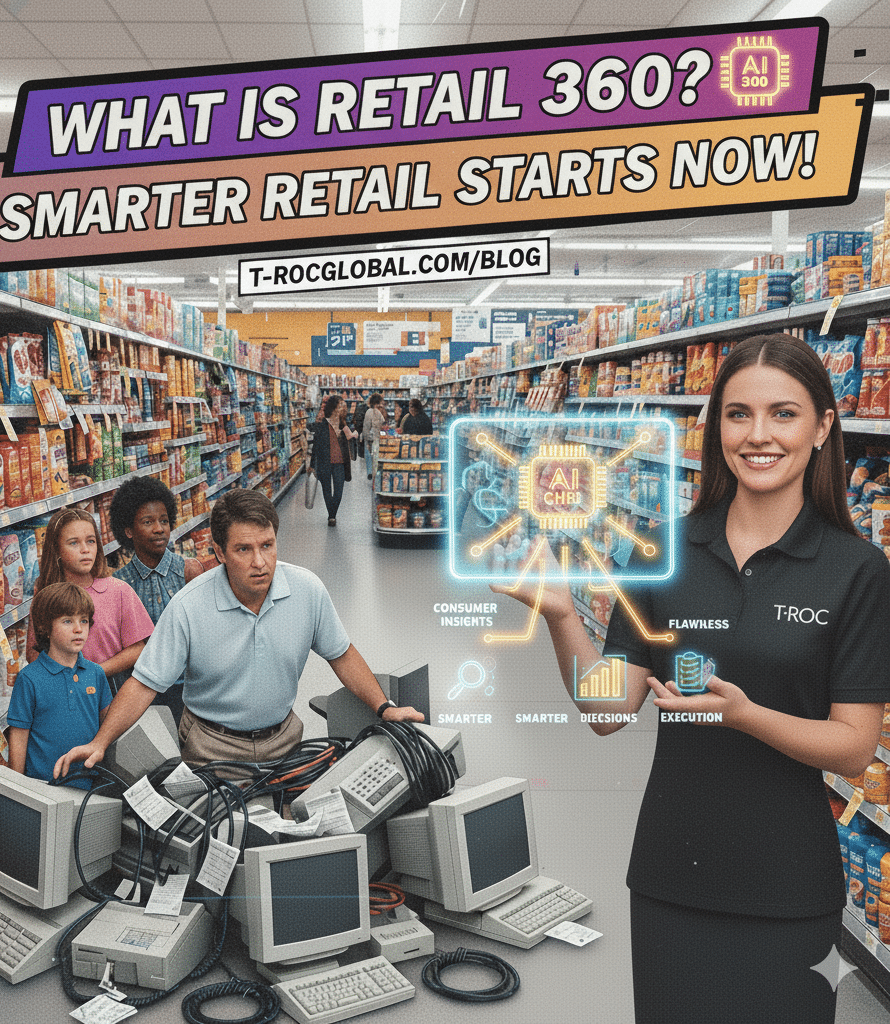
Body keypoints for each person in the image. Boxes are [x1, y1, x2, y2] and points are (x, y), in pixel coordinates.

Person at [493, 333, 890, 1024]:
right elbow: (607, 708)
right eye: (738, 414)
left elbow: (854, 747)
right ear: (715, 427)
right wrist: (562, 616)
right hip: (671, 871)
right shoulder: (664, 551)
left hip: (788, 885)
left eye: (784, 414)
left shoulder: (855, 570)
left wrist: (744, 716)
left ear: (824, 426)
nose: (758, 435)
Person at [54, 489, 423, 778]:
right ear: (219, 552)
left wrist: (384, 707)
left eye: (267, 546)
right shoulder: (188, 606)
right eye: (243, 549)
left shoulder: (307, 590)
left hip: (285, 741)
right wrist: (100, 743)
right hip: (210, 749)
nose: (259, 562)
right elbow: (143, 683)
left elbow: (341, 654)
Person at [110, 476, 205, 726]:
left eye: (164, 520)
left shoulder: (188, 571)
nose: (159, 528)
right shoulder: (119, 585)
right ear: (128, 530)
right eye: (147, 522)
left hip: (189, 688)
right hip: (141, 691)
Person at [27, 507, 154, 695]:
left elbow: (138, 649)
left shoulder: (118, 590)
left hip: (112, 686)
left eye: (91, 541)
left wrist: (95, 672)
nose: (85, 550)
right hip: (62, 688)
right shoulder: (46, 596)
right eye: (73, 543)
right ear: (57, 550)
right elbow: (33, 651)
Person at [7, 582, 112, 784]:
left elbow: (108, 725)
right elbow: (19, 738)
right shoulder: (29, 679)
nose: (78, 629)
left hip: (89, 787)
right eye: (67, 621)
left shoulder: (96, 673)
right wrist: (17, 788)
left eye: (84, 620)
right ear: (45, 628)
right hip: (42, 788)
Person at [310, 395, 357, 526]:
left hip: (340, 463)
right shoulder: (322, 425)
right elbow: (316, 446)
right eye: (341, 405)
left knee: (338, 492)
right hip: (325, 462)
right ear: (334, 408)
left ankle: (332, 513)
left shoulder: (343, 425)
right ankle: (332, 516)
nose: (344, 408)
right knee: (326, 489)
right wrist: (312, 465)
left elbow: (351, 442)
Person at [361, 393, 387, 480]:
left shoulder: (379, 412)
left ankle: (373, 475)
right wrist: (367, 440)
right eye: (380, 403)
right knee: (371, 457)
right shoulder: (369, 412)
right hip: (371, 439)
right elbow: (366, 428)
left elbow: (383, 424)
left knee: (374, 459)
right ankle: (371, 473)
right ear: (376, 403)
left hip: (376, 438)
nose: (382, 405)